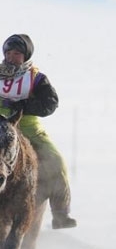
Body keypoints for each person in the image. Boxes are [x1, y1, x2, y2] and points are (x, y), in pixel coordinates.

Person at [0, 34, 77, 229]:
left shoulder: (36, 77)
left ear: (25, 55)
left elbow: (50, 103)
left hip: (28, 128)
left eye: (16, 53)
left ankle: (60, 213)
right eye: (8, 52)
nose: (11, 57)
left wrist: (23, 105)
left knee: (55, 160)